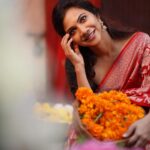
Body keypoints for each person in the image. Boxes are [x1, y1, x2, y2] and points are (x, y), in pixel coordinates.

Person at [52, 0, 150, 148]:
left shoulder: (142, 44)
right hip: (105, 136)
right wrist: (79, 66)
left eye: (83, 19)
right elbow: (88, 113)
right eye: (73, 31)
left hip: (141, 127)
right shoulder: (76, 64)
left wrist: (147, 123)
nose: (83, 30)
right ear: (70, 41)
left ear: (97, 15)